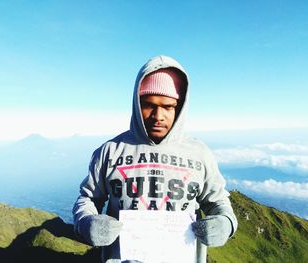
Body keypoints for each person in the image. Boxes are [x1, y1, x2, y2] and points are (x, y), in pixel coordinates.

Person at [73, 55, 238, 263]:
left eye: (168, 106)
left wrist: (226, 224)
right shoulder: (110, 151)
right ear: (136, 103)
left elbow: (218, 202)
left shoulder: (200, 153)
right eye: (148, 104)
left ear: (179, 107)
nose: (158, 115)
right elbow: (88, 198)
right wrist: (86, 223)